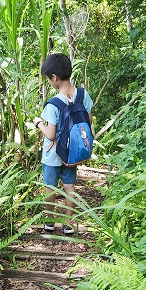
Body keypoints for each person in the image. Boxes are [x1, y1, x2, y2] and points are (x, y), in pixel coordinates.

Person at [32, 53, 93, 235]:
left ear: (54, 77)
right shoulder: (83, 95)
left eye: (48, 79)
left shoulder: (53, 104)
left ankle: (49, 222)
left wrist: (38, 124)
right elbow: (88, 122)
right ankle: (69, 223)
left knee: (50, 187)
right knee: (69, 186)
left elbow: (50, 135)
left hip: (53, 154)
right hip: (72, 152)